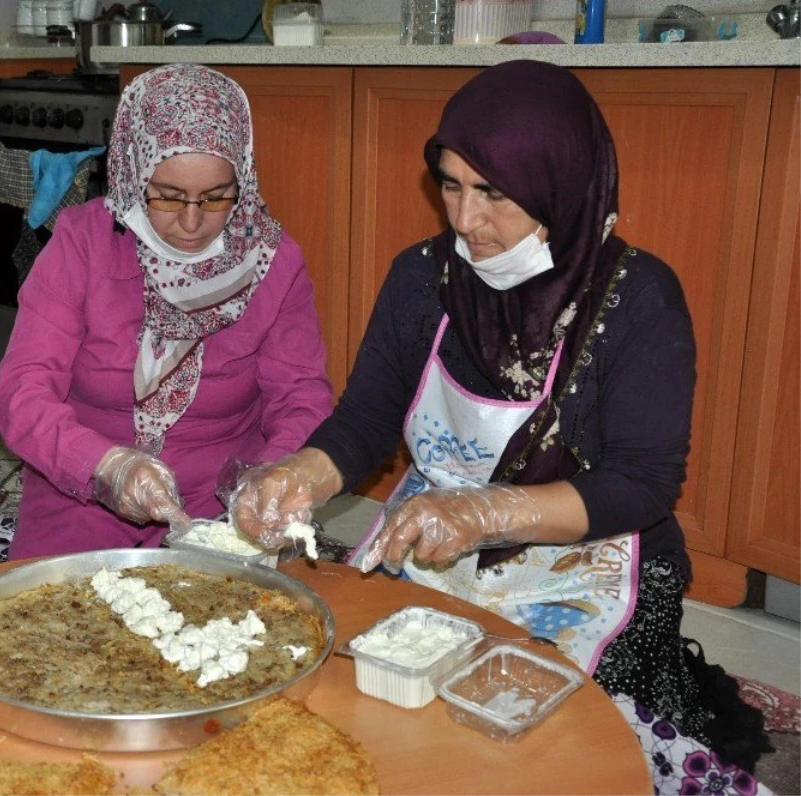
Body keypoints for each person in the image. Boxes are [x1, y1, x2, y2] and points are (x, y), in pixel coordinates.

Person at [231, 60, 771, 774]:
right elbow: (365, 420)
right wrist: (301, 473)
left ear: (562, 187)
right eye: (451, 185)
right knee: (376, 727)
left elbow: (642, 485)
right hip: (436, 551)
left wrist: (487, 513)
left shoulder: (637, 299)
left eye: (494, 193)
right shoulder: (423, 278)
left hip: (587, 562)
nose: (466, 220)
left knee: (546, 756)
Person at [0, 64, 333, 559]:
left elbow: (301, 399)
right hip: (84, 496)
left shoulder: (273, 262)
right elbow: (20, 394)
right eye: (168, 197)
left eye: (216, 198)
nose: (192, 224)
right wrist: (109, 468)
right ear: (134, 173)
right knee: (56, 625)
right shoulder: (83, 243)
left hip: (222, 509)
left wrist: (273, 481)